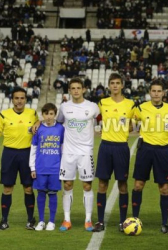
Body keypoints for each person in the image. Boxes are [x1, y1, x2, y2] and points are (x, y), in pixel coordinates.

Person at [0, 87, 39, 230]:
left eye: (22, 98)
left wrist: (38, 123)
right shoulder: (4, 115)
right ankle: (4, 220)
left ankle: (30, 220)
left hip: (27, 154)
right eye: (16, 98)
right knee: (7, 188)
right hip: (9, 153)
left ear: (26, 99)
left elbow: (40, 123)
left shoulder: (32, 113)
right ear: (12, 100)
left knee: (28, 188)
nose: (19, 101)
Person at [92, 73, 135, 232]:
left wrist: (127, 128)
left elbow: (136, 122)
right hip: (105, 147)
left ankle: (123, 222)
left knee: (122, 185)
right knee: (102, 184)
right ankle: (100, 221)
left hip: (121, 148)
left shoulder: (130, 104)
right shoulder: (102, 103)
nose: (115, 86)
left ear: (122, 85)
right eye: (112, 83)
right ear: (109, 86)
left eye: (118, 83)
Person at [57, 78, 100, 232]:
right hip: (68, 152)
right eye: (73, 88)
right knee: (67, 185)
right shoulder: (64, 107)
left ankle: (88, 220)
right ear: (69, 90)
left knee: (87, 185)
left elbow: (102, 120)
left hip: (85, 152)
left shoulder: (93, 107)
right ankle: (66, 219)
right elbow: (58, 123)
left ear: (84, 90)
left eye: (78, 88)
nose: (76, 90)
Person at [131, 80, 168, 233]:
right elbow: (130, 124)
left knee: (164, 188)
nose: (156, 94)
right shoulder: (141, 108)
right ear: (150, 92)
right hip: (145, 150)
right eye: (153, 91)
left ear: (163, 93)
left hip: (163, 151)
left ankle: (165, 223)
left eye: (159, 91)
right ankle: (134, 220)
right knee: (138, 185)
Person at [29, 103, 65, 231]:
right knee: (41, 193)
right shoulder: (38, 130)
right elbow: (33, 149)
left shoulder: (61, 129)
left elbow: (63, 148)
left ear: (55, 115)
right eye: (46, 114)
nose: (49, 117)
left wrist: (63, 167)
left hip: (55, 168)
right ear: (42, 115)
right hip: (40, 168)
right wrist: (32, 168)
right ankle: (41, 221)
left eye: (51, 114)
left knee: (53, 193)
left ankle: (51, 221)